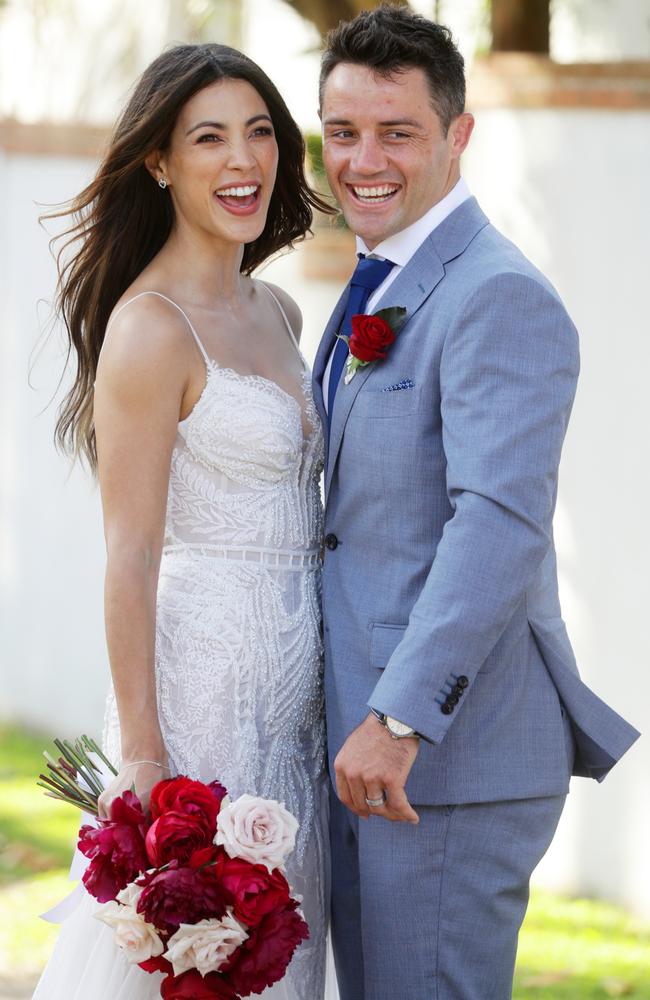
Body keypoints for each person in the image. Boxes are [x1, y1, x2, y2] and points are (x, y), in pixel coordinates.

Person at [312, 6, 640, 999]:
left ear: (458, 134)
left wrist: (399, 716)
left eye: (396, 132)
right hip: (365, 754)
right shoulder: (384, 282)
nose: (363, 159)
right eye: (341, 133)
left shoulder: (498, 295)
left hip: (442, 764)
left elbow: (496, 522)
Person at [34, 42, 334, 1000]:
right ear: (160, 162)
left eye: (259, 133)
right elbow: (128, 557)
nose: (242, 160)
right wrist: (147, 762)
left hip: (300, 700)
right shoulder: (149, 326)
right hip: (204, 694)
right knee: (194, 956)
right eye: (209, 138)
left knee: (283, 949)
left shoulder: (279, 310)